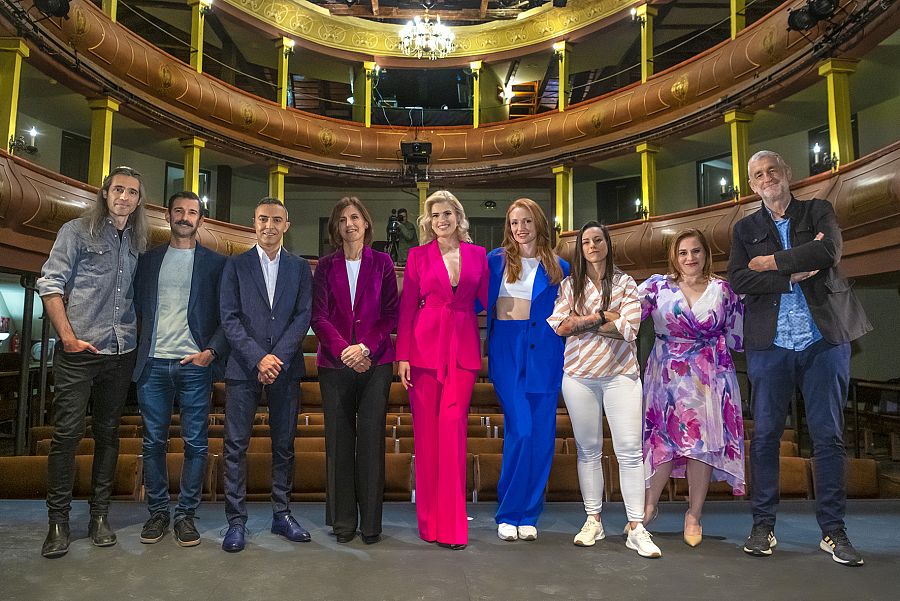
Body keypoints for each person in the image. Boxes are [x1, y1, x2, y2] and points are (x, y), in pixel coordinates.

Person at [728, 150, 871, 566]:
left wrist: (771, 263)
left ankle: (833, 531)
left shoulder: (818, 210)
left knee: (828, 437)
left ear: (787, 173)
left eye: (773, 170)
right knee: (766, 437)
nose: (767, 178)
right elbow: (739, 278)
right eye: (758, 175)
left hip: (823, 341)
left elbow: (829, 254)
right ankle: (763, 526)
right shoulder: (744, 228)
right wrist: (791, 272)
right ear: (752, 185)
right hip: (770, 344)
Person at [35, 166, 149, 558]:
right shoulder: (76, 231)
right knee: (67, 435)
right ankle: (58, 521)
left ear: (138, 200)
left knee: (109, 434)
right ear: (105, 193)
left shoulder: (137, 240)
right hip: (79, 351)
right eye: (118, 189)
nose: (124, 197)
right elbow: (50, 283)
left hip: (120, 351)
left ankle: (99, 515)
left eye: (132, 192)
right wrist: (68, 338)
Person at [547, 221, 660, 558]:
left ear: (608, 244)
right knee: (588, 450)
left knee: (629, 451)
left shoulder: (626, 283)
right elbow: (561, 327)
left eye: (598, 240)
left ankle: (636, 527)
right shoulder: (570, 285)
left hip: (620, 376)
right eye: (586, 241)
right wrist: (603, 316)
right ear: (580, 249)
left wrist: (582, 323)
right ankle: (593, 520)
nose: (592, 246)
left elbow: (630, 329)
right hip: (578, 376)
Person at [638, 228, 745, 549]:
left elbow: (738, 336)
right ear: (674, 256)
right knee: (661, 441)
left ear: (706, 254)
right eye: (683, 252)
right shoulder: (657, 287)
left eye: (696, 251)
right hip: (665, 377)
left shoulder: (724, 290)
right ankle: (648, 508)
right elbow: (626, 316)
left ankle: (694, 515)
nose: (689, 258)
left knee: (702, 445)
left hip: (709, 377)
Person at [132, 191, 228, 548]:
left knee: (196, 443)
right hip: (153, 364)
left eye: (192, 212)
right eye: (178, 211)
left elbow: (228, 315)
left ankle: (186, 514)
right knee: (153, 442)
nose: (185, 217)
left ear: (201, 219)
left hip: (194, 365)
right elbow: (135, 309)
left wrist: (210, 352)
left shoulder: (217, 264)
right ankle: (158, 512)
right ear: (168, 216)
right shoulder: (147, 261)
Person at [218, 197, 313, 553]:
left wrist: (277, 359)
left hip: (285, 370)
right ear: (254, 223)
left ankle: (281, 514)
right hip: (243, 368)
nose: (269, 226)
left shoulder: (300, 268)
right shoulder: (235, 265)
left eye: (276, 220)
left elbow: (303, 316)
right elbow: (228, 318)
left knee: (284, 445)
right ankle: (236, 521)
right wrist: (259, 358)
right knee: (235, 447)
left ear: (286, 225)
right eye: (262, 219)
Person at [396, 190, 488, 550]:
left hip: (462, 350)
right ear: (428, 221)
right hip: (422, 351)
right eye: (434, 215)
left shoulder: (478, 255)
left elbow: (487, 300)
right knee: (426, 438)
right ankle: (429, 522)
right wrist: (403, 356)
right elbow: (407, 308)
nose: (441, 220)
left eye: (447, 213)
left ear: (458, 217)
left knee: (452, 430)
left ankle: (452, 526)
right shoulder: (417, 256)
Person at [311, 197, 399, 545]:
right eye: (342, 219)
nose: (349, 224)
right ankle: (343, 522)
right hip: (334, 364)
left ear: (366, 223)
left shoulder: (383, 262)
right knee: (339, 442)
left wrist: (363, 348)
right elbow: (318, 316)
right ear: (336, 227)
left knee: (372, 443)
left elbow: (390, 314)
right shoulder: (325, 266)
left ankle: (371, 524)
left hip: (375, 362)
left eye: (355, 217)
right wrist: (344, 350)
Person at [486, 198, 568, 542]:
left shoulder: (560, 267)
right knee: (520, 430)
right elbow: (472, 299)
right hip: (507, 352)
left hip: (545, 354)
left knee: (542, 437)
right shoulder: (495, 260)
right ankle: (509, 511)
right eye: (514, 222)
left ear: (539, 224)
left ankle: (530, 512)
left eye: (527, 221)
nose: (520, 228)